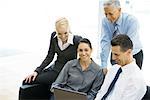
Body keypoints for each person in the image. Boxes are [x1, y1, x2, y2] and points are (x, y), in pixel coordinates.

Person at [19, 17, 82, 99]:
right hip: (54, 69)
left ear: (69, 29)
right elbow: (50, 56)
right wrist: (37, 71)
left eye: (65, 33)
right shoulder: (54, 37)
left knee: (28, 82)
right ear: (56, 31)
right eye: (59, 34)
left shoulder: (77, 40)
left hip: (64, 74)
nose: (63, 37)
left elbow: (86, 52)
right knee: (27, 81)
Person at [95, 34, 146, 100]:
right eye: (112, 53)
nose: (113, 58)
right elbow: (101, 93)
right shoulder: (113, 69)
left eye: (116, 54)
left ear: (129, 52)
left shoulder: (136, 80)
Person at [100, 0, 143, 74]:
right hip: (116, 53)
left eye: (110, 13)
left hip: (133, 54)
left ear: (119, 10)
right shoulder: (105, 21)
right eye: (105, 14)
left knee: (129, 80)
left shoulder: (132, 21)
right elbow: (105, 42)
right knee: (116, 80)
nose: (108, 17)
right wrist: (104, 65)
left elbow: (129, 44)